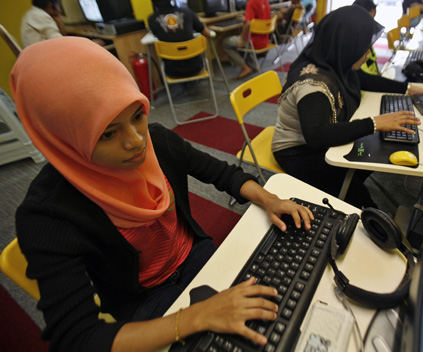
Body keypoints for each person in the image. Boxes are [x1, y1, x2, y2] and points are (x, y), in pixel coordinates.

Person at [11, 36, 314, 352]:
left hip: (194, 255)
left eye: (137, 116)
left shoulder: (157, 140)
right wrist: (194, 318)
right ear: (62, 136)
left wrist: (270, 199)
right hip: (145, 300)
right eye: (108, 133)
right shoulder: (47, 214)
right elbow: (79, 339)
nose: (136, 141)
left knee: (279, 309)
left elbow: (223, 174)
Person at [271, 6, 423, 209]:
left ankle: (350, 181)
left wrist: (407, 89)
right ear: (346, 46)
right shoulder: (312, 87)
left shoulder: (332, 60)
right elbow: (317, 136)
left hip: (321, 137)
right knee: (359, 198)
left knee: (376, 149)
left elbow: (362, 79)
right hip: (298, 152)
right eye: (364, 47)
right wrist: (374, 123)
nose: (367, 53)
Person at [148, 0, 212, 78]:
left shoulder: (151, 19)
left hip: (172, 71)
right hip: (196, 67)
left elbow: (158, 34)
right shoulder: (187, 12)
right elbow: (207, 34)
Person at [222, 0, 271, 79]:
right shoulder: (265, 1)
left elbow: (248, 23)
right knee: (242, 42)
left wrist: (241, 38)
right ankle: (254, 65)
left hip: (254, 42)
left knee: (227, 43)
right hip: (265, 41)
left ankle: (245, 67)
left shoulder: (251, 2)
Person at [353, 0, 381, 76]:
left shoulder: (367, 39)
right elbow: (361, 78)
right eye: (370, 19)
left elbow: (372, 60)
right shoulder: (353, 41)